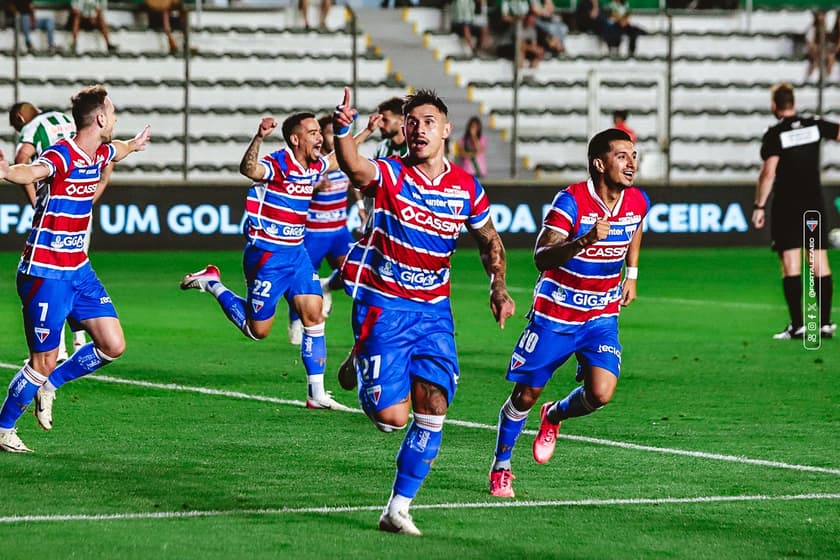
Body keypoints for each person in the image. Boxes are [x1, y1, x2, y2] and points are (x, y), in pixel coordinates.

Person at [333, 87, 516, 535]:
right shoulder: (392, 175)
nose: (418, 130)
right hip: (385, 306)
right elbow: (354, 166)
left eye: (428, 122)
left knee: (434, 407)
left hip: (434, 312)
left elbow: (489, 239)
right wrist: (342, 131)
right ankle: (362, 357)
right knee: (392, 419)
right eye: (412, 123)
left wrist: (499, 286)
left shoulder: (467, 187)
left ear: (446, 130)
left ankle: (398, 507)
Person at [488, 128, 649, 498]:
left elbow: (636, 225)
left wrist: (632, 273)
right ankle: (501, 465)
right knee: (525, 395)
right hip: (557, 314)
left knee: (601, 393)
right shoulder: (571, 202)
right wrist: (586, 240)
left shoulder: (637, 200)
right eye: (622, 156)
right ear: (599, 163)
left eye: (634, 156)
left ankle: (554, 416)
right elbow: (540, 257)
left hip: (601, 315)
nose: (631, 163)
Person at [0, 85, 151, 453]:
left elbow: (120, 149)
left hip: (79, 269)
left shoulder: (100, 153)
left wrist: (135, 143)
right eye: (112, 113)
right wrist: (6, 172)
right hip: (45, 271)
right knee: (42, 360)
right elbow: (32, 170)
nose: (114, 119)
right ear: (100, 118)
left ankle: (52, 385)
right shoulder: (62, 154)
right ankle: (4, 427)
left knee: (113, 345)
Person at [180, 112, 355, 410]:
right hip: (267, 256)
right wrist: (259, 137)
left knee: (314, 316)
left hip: (296, 253)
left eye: (318, 132)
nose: (318, 137)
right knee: (257, 331)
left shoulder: (314, 165)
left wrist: (348, 132)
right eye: (312, 132)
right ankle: (213, 283)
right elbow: (249, 168)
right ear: (296, 139)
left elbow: (341, 157)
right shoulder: (279, 162)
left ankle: (316, 394)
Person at [8, 101, 113, 362]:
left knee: (55, 275)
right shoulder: (67, 120)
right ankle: (79, 340)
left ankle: (57, 349)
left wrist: (35, 201)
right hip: (79, 203)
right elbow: (107, 157)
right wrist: (90, 196)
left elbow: (23, 160)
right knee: (74, 271)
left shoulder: (31, 128)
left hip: (56, 207)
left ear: (20, 118)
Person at [752, 83, 837, 340]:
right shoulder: (814, 125)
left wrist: (759, 205)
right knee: (819, 262)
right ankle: (823, 323)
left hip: (787, 205)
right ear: (794, 103)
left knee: (791, 264)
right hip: (814, 203)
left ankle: (799, 325)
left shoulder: (775, 134)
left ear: (774, 106)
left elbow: (769, 173)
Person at [286, 115, 366, 345]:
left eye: (332, 133)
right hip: (314, 230)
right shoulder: (314, 161)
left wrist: (360, 207)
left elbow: (353, 182)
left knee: (354, 271)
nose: (328, 137)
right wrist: (316, 187)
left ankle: (327, 285)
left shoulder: (345, 159)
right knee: (301, 280)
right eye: (326, 133)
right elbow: (296, 189)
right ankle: (295, 320)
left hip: (339, 229)